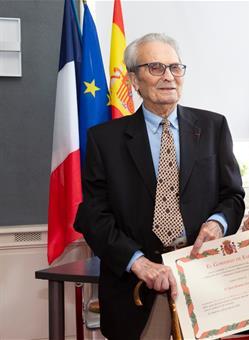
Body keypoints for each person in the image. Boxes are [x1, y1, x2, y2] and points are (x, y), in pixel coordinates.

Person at [74, 33, 245, 340]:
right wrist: (138, 263)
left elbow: (232, 196)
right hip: (136, 290)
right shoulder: (105, 140)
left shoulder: (212, 127)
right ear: (134, 80)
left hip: (206, 286)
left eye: (175, 67)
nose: (168, 76)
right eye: (155, 67)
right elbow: (94, 216)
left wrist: (218, 223)